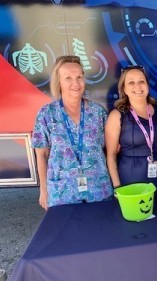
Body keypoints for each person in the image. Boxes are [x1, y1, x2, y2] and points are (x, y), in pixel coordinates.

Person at [32, 55, 113, 210]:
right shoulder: (46, 114)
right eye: (68, 78)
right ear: (59, 82)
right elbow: (41, 154)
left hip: (98, 189)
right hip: (62, 192)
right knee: (65, 233)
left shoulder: (98, 112)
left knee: (100, 232)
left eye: (79, 77)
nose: (75, 83)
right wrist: (44, 190)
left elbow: (109, 150)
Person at [105, 65, 157, 192]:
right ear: (124, 89)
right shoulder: (117, 115)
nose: (137, 86)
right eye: (131, 83)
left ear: (147, 85)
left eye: (141, 81)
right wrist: (118, 188)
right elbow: (111, 156)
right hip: (132, 189)